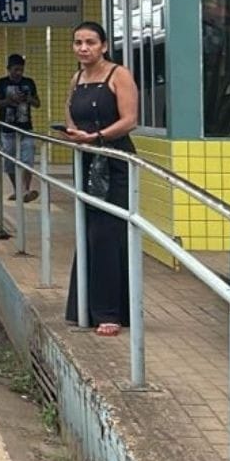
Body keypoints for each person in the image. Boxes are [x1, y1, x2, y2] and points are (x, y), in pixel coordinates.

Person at [62, 21, 139, 338]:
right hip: (87, 159)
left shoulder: (118, 75)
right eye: (78, 42)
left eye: (90, 42)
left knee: (108, 232)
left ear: (104, 46)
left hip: (114, 160)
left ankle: (111, 312)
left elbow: (130, 120)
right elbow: (70, 114)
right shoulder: (77, 79)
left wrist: (97, 137)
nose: (83, 48)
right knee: (87, 229)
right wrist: (75, 135)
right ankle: (83, 306)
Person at [0, 54, 40, 201]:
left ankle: (25, 190)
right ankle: (18, 190)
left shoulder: (29, 83)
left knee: (28, 159)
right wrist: (8, 101)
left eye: (21, 70)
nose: (19, 73)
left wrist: (28, 98)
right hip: (7, 129)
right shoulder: (1, 83)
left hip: (26, 128)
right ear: (9, 69)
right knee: (9, 162)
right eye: (16, 70)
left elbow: (37, 103)